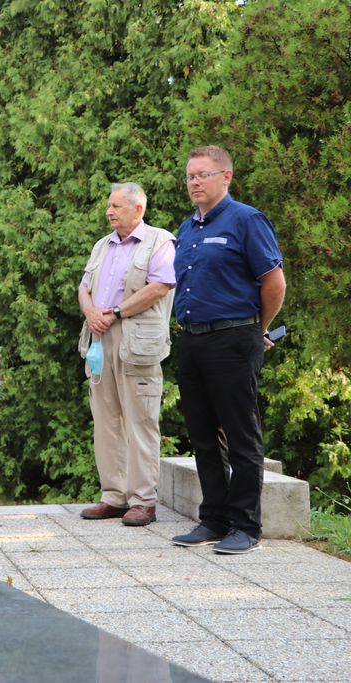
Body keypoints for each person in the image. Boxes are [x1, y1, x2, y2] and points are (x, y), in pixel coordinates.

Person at [170, 146, 286, 554]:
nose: (194, 182)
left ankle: (246, 527)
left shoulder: (246, 220)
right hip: (194, 338)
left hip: (234, 338)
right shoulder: (186, 229)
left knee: (241, 436)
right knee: (202, 435)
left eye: (203, 174)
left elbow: (274, 283)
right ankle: (213, 520)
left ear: (226, 177)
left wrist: (260, 329)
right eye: (189, 176)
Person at [77, 183, 176, 526]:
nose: (109, 211)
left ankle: (143, 501)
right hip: (99, 338)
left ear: (138, 210)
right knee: (105, 422)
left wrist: (114, 312)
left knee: (141, 421)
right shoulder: (102, 245)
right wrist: (91, 312)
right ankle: (114, 496)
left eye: (117, 206)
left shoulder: (160, 241)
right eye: (109, 205)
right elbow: (84, 286)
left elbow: (159, 287)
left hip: (136, 340)